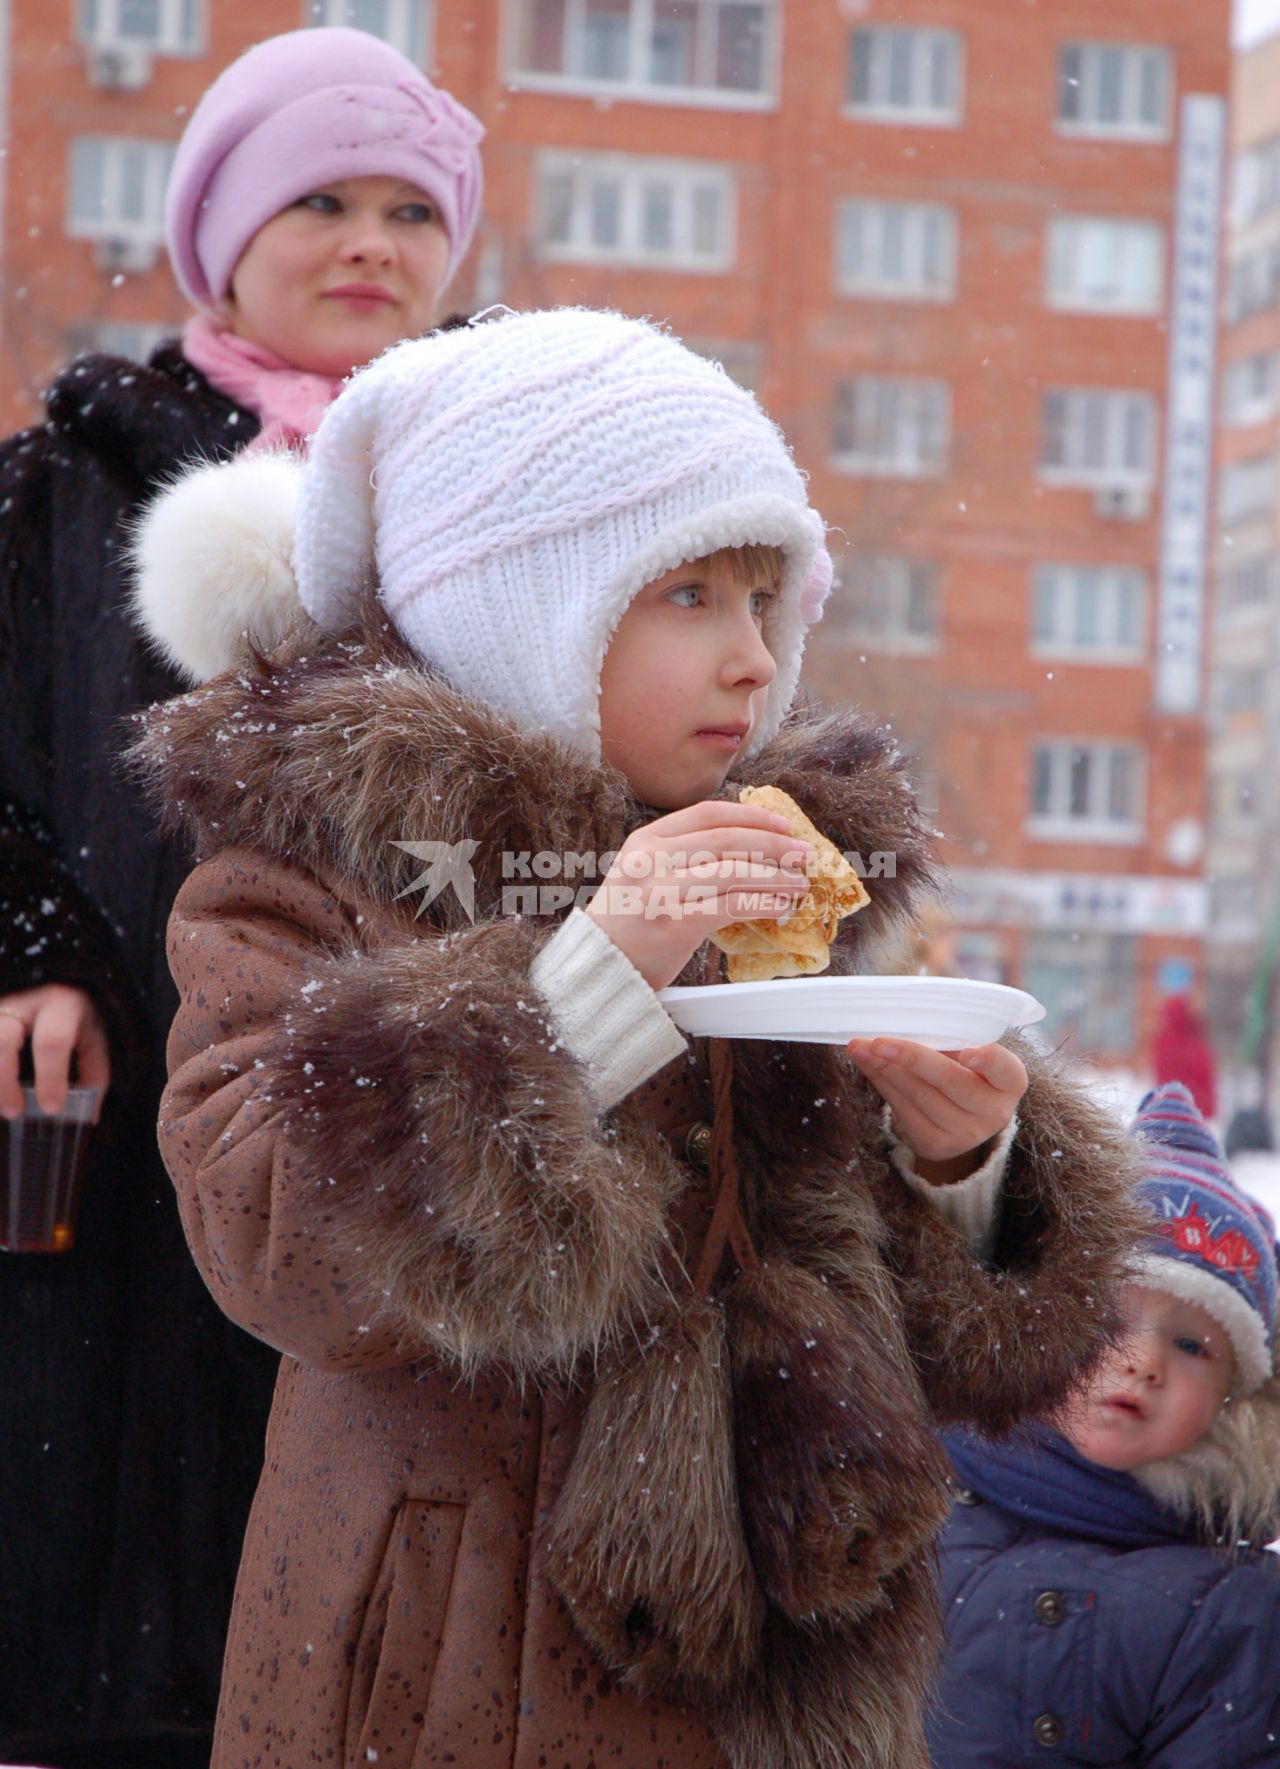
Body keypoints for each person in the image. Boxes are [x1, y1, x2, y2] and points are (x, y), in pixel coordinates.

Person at [127, 308, 1142, 1769]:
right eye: (687, 598)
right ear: (521, 607)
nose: (753, 660)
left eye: (765, 597)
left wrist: (968, 1165)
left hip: (771, 1670)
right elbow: (278, 1252)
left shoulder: (779, 872)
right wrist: (591, 976)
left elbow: (932, 1346)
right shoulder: (301, 879)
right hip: (446, 1646)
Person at [0, 27, 481, 1767]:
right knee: (131, 1585)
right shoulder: (64, 481)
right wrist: (31, 944)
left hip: (420, 1076)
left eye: (412, 208)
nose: (372, 242)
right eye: (323, 200)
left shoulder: (512, 479)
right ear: (220, 230)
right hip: (123, 1104)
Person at [930, 1081, 1280, 1767]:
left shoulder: (1229, 1605)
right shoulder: (916, 1494)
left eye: (1191, 1346)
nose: (1144, 1361)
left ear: (1232, 1398)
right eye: (1108, 1319)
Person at [1151, 992, 1217, 1122]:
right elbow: (1205, 1076)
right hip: (1195, 1109)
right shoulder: (1196, 1042)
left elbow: (1161, 1077)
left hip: (1168, 1107)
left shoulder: (1162, 1042)